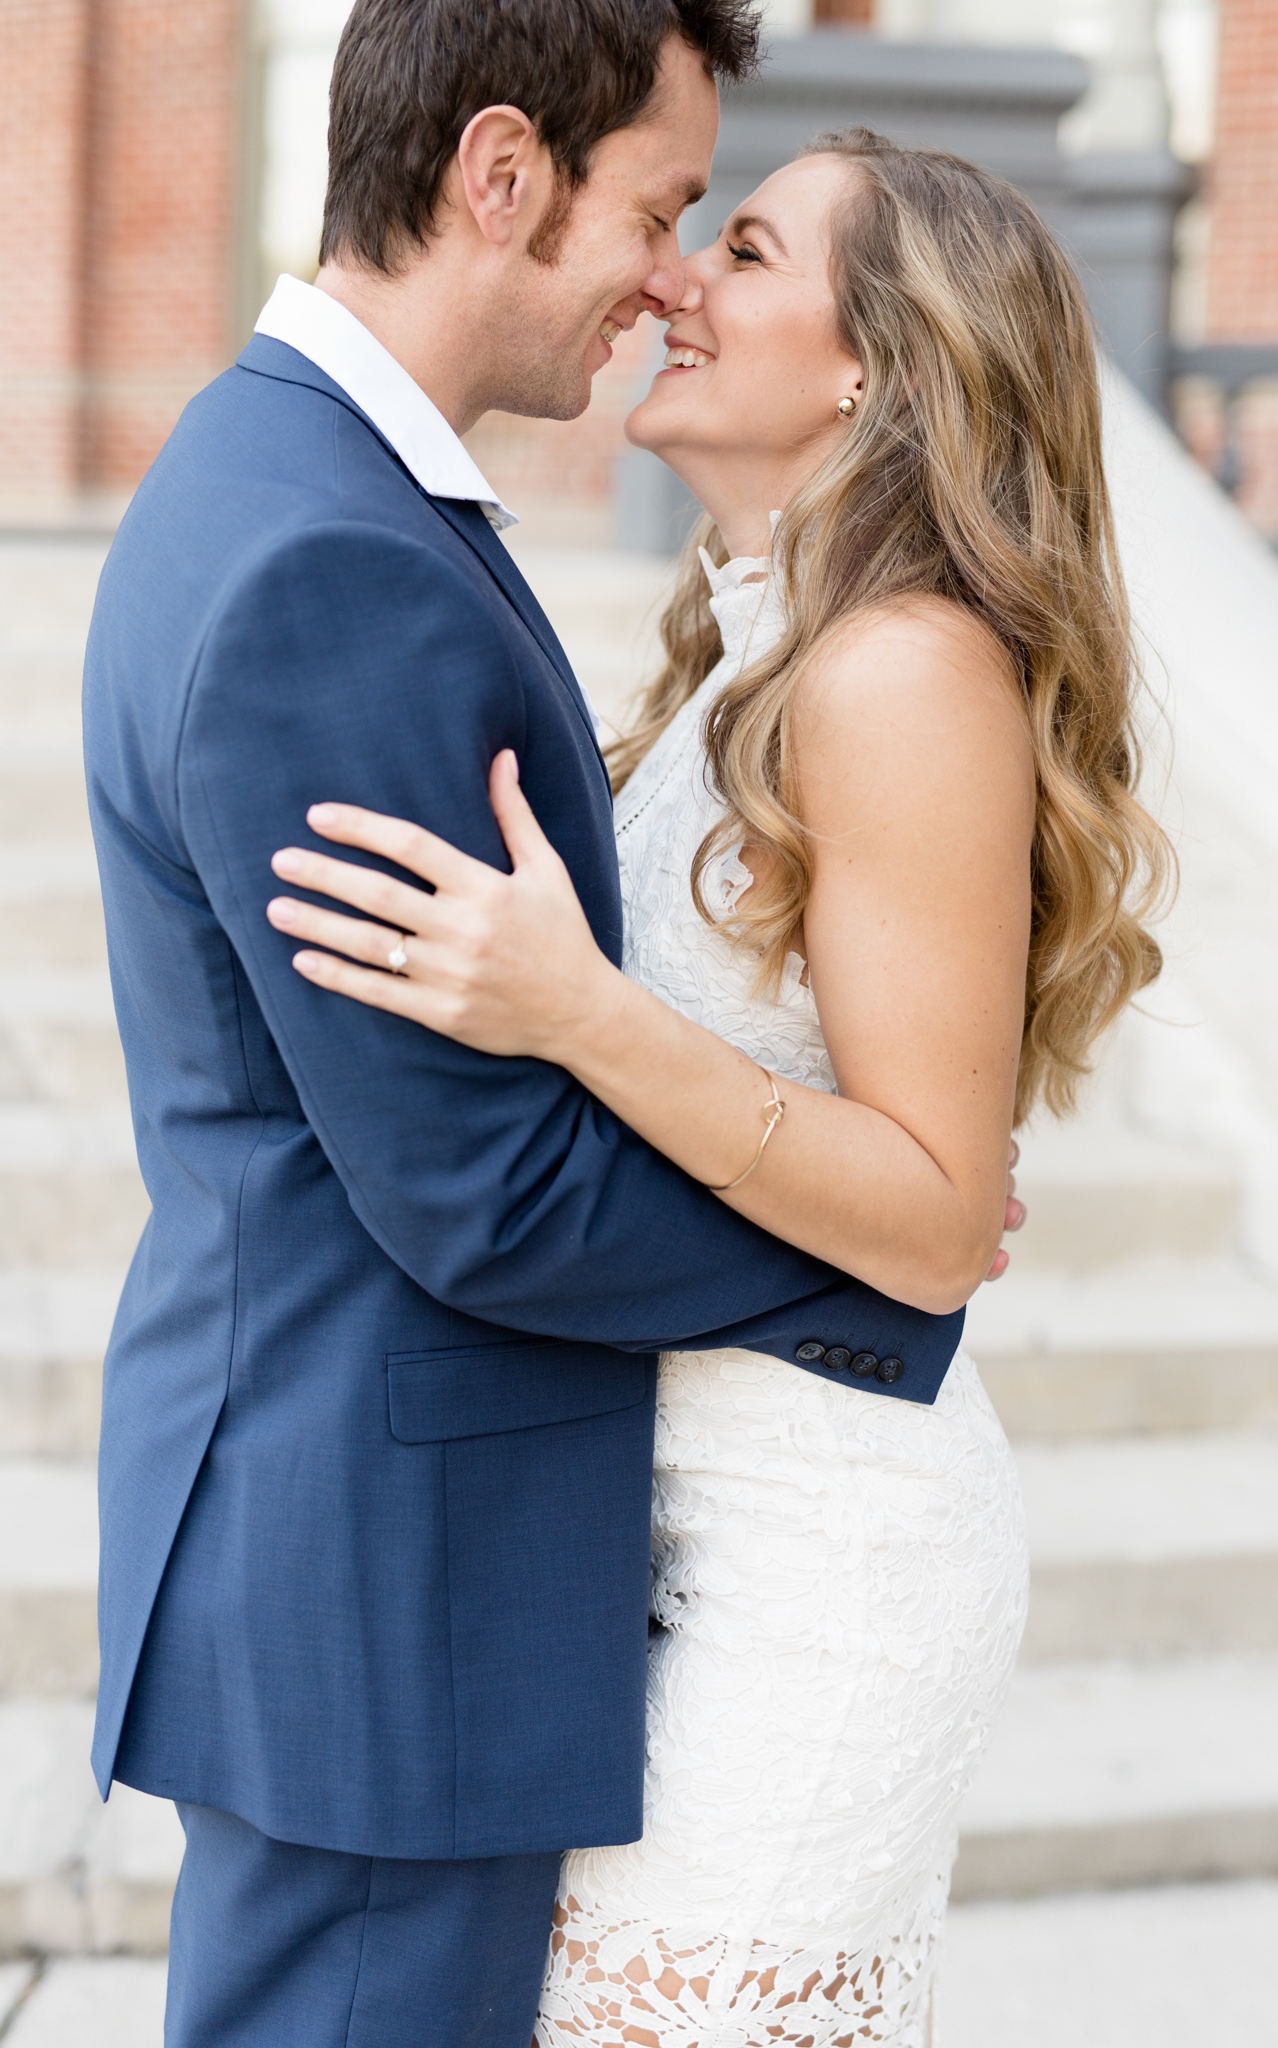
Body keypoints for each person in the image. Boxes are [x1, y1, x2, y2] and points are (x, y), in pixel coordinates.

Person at [82, 7, 1025, 2045]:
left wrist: (915, 1201)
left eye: (729, 238)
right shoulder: (343, 556)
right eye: (668, 208)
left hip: (532, 1564)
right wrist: (895, 1255)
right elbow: (482, 1191)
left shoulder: (304, 488)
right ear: (502, 173)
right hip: (388, 1569)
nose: (670, 273)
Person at [265, 133, 1171, 2043]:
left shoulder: (903, 673)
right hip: (672, 1538)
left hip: (824, 1556)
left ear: (874, 365)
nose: (672, 278)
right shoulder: (756, 657)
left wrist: (582, 1012)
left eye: (740, 248)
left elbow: (932, 1220)